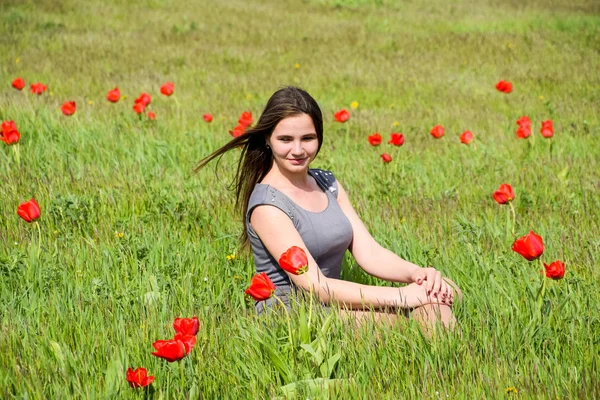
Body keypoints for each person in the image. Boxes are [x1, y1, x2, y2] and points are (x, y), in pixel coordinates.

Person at [196, 86, 462, 331]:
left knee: (448, 292)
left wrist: (417, 275)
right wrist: (403, 296)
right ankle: (446, 372)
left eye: (308, 138)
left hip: (335, 302)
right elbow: (314, 286)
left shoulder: (326, 182)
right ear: (268, 138)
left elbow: (368, 252)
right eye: (286, 139)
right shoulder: (268, 206)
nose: (298, 150)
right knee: (423, 315)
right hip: (295, 315)